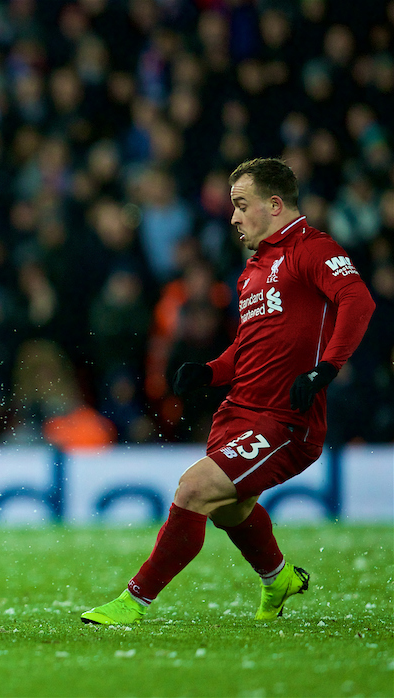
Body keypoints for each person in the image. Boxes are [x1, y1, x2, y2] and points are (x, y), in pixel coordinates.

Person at [81, 158, 375, 625]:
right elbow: (248, 347)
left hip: (285, 419)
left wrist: (325, 370)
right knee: (228, 510)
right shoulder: (253, 270)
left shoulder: (311, 248)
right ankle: (278, 578)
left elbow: (358, 300)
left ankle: (132, 603)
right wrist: (210, 372)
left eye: (242, 205)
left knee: (194, 489)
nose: (233, 217)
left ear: (275, 205)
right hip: (238, 411)